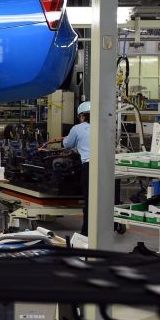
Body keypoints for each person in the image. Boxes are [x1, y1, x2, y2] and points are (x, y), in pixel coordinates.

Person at [63, 101, 91, 236]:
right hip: (106, 166)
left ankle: (86, 232)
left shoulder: (77, 128)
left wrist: (66, 140)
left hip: (89, 166)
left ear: (82, 116)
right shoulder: (102, 126)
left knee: (89, 200)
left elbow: (67, 144)